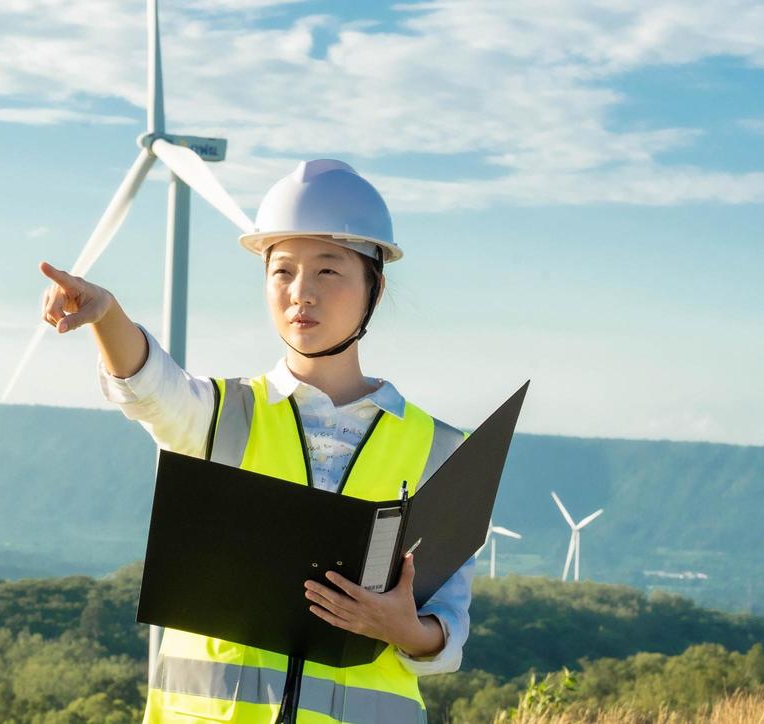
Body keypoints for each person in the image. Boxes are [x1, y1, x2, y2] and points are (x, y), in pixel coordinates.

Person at [38, 158, 474, 724]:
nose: (301, 293)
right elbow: (150, 388)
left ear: (375, 284)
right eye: (282, 271)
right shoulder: (222, 413)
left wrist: (405, 630)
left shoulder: (441, 449)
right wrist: (107, 318)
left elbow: (448, 627)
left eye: (328, 271)